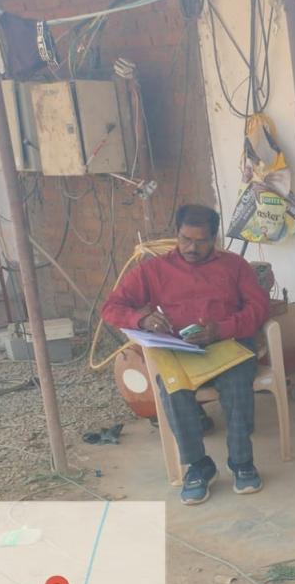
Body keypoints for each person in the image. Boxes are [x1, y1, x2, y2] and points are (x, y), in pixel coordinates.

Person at [102, 204, 270, 505]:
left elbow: (258, 308)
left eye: (201, 241)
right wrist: (142, 319)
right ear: (176, 234)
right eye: (185, 239)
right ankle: (198, 466)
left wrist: (221, 329)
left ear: (214, 238)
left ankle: (241, 462)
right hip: (181, 350)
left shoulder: (234, 266)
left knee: (236, 384)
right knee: (172, 389)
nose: (192, 248)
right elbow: (112, 307)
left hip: (228, 344)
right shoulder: (154, 270)